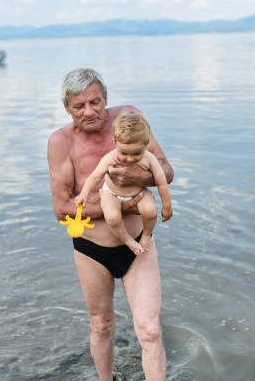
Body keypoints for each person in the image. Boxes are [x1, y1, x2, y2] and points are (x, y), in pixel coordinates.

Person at [48, 68, 173, 381]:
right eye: (79, 106)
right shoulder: (61, 142)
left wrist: (136, 179)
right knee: (101, 324)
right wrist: (117, 204)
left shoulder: (130, 120)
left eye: (95, 102)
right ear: (67, 108)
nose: (89, 112)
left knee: (150, 330)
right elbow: (63, 209)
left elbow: (166, 170)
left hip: (139, 245)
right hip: (92, 250)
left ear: (106, 98)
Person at [73, 110, 173, 256]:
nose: (130, 159)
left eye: (136, 153)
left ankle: (146, 235)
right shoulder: (110, 158)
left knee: (151, 211)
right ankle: (128, 240)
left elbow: (162, 183)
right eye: (124, 153)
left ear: (146, 145)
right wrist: (84, 194)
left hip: (139, 192)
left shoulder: (149, 159)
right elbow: (95, 177)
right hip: (111, 193)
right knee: (112, 217)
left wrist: (167, 206)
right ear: (115, 142)